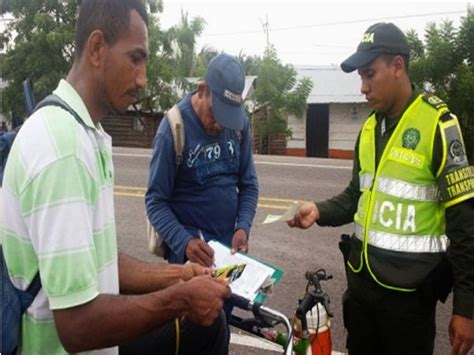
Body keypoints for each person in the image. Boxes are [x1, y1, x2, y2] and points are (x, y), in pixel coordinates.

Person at [1, 1, 230, 354]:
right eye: (135, 58)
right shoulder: (63, 148)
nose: (143, 79)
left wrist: (178, 275)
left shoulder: (84, 131)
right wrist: (179, 299)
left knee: (212, 327)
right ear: (96, 48)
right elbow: (77, 326)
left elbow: (97, 259)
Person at [288, 22, 474, 355]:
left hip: (409, 301)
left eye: (369, 74)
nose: (362, 87)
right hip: (362, 293)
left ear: (397, 67)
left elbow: (464, 223)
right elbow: (354, 197)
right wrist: (318, 210)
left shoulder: (438, 125)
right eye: (361, 77)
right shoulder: (370, 129)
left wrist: (466, 307)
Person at [145, 53, 259, 267]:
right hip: (189, 262)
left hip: (228, 257)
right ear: (202, 90)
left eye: (228, 117)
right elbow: (155, 202)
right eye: (216, 114)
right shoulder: (172, 130)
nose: (220, 125)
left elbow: (249, 184)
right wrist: (185, 242)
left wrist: (243, 226)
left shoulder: (239, 124)